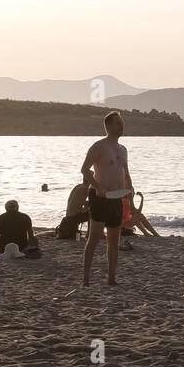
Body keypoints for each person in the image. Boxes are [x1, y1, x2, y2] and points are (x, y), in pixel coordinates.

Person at [79, 111, 134, 286]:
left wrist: (130, 188)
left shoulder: (122, 149)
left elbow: (125, 171)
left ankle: (111, 278)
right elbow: (85, 170)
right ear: (108, 126)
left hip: (117, 198)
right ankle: (86, 278)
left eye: (122, 123)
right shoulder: (99, 146)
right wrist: (97, 187)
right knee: (94, 238)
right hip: (101, 198)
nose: (121, 126)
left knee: (114, 240)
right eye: (118, 123)